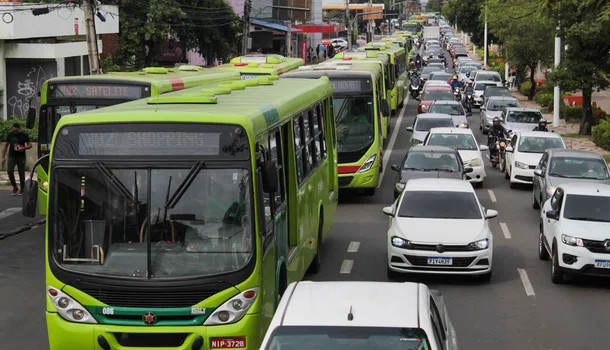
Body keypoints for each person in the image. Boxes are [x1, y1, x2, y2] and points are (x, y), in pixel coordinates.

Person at [2, 123, 32, 196]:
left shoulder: (24, 135)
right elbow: (6, 145)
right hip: (12, 156)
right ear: (12, 128)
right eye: (14, 130)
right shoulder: (10, 135)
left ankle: (22, 189)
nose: (15, 132)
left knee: (21, 173)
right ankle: (15, 187)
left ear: (19, 129)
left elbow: (30, 145)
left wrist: (23, 148)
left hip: (21, 157)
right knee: (10, 171)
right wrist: (3, 157)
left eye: (16, 131)